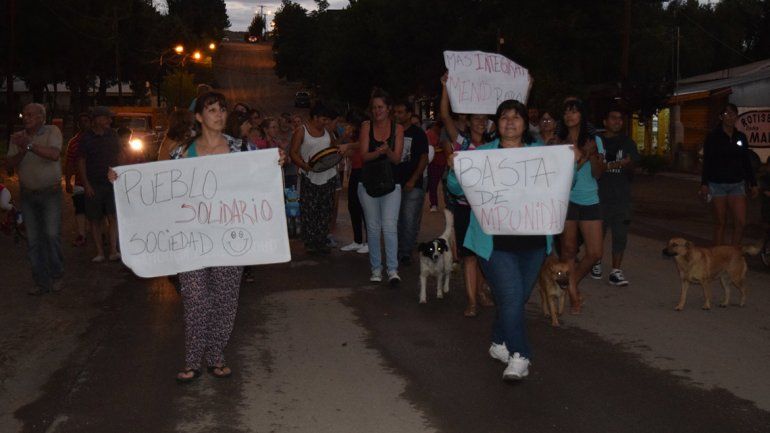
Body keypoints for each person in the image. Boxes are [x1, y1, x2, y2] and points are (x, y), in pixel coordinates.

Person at [158, 91, 283, 382]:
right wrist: (121, 181)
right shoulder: (181, 152)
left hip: (230, 239)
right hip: (192, 239)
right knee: (195, 299)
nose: (219, 115)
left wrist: (276, 161)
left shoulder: (242, 149)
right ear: (199, 117)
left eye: (222, 109)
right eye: (211, 110)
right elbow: (161, 187)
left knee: (225, 300)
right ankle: (192, 360)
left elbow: (262, 177)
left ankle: (215, 355)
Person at [447, 99, 548, 381]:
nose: (510, 122)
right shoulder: (482, 154)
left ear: (525, 123)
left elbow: (565, 184)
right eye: (504, 117)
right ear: (497, 123)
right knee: (512, 295)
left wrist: (572, 162)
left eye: (516, 117)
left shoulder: (542, 153)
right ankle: (520, 354)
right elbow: (456, 189)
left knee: (517, 297)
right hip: (494, 242)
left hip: (534, 242)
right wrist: (454, 169)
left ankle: (498, 341)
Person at [439, 73, 493, 317]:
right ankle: (471, 300)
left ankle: (480, 291)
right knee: (468, 255)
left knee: (483, 253)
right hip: (464, 207)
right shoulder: (461, 142)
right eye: (477, 118)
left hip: (487, 208)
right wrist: (445, 87)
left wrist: (526, 88)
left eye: (485, 118)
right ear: (469, 122)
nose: (481, 122)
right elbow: (444, 116)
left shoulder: (496, 146)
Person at [6, 103, 64, 295]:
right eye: (24, 114)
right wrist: (22, 149)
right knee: (33, 239)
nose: (26, 117)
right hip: (28, 194)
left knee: (51, 235)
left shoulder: (52, 131)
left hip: (50, 193)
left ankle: (56, 275)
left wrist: (29, 145)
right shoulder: (17, 137)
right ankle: (40, 281)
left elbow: (54, 155)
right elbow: (9, 164)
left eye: (30, 114)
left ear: (41, 117)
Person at [555, 98, 606, 314]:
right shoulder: (558, 142)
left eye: (574, 111)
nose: (570, 115)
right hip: (566, 199)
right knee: (568, 250)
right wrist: (584, 156)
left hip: (590, 199)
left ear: (582, 115)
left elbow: (598, 174)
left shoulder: (595, 140)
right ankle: (574, 296)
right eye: (566, 112)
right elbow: (562, 173)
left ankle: (570, 283)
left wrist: (592, 154)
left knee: (595, 253)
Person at [358, 88, 404, 284]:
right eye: (374, 108)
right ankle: (376, 269)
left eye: (381, 107)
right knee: (373, 227)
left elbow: (397, 159)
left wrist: (387, 151)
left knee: (390, 226)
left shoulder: (398, 129)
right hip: (369, 183)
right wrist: (378, 152)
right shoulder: (366, 127)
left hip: (391, 183)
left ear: (388, 108)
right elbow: (364, 156)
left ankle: (392, 270)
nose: (377, 111)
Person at [593, 106, 640, 286]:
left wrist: (628, 164)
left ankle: (616, 271)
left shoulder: (628, 142)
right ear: (605, 121)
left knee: (620, 235)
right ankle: (596, 262)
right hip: (599, 196)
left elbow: (633, 166)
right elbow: (595, 168)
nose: (617, 121)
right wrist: (619, 163)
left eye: (620, 118)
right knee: (598, 233)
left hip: (622, 197)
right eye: (613, 118)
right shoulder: (596, 142)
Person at [700, 103, 758, 245]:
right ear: (721, 117)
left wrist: (753, 183)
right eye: (726, 114)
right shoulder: (713, 137)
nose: (730, 117)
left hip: (737, 184)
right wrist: (704, 184)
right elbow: (707, 161)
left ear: (736, 116)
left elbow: (746, 161)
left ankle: (734, 253)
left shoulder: (740, 137)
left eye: (733, 114)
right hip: (717, 184)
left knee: (740, 222)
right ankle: (718, 254)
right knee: (720, 222)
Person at [289, 102, 339, 255]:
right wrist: (304, 166)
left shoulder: (327, 131)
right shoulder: (301, 131)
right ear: (315, 117)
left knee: (325, 209)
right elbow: (293, 153)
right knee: (309, 210)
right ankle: (311, 243)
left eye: (327, 120)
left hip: (328, 175)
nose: (325, 122)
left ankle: (321, 240)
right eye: (323, 119)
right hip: (309, 176)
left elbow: (334, 148)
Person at [78, 106, 122, 263]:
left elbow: (119, 155)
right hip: (94, 183)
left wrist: (121, 175)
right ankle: (99, 252)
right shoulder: (86, 138)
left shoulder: (113, 135)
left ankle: (113, 250)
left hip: (112, 183)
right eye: (106, 117)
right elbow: (81, 161)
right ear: (97, 119)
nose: (110, 120)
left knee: (113, 216)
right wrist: (86, 184)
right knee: (94, 218)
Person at [393, 101, 429, 266]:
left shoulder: (418, 133)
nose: (397, 115)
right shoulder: (392, 132)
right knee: (394, 220)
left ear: (409, 114)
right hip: (393, 183)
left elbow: (424, 158)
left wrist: (413, 179)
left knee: (409, 219)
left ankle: (405, 253)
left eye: (401, 112)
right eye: (395, 112)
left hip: (412, 184)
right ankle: (395, 250)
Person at [339, 110, 369, 254]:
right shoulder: (355, 132)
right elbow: (354, 152)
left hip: (365, 170)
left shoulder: (366, 127)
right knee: (353, 205)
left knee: (366, 207)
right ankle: (357, 240)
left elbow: (363, 144)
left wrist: (349, 146)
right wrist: (345, 148)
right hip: (356, 169)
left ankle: (369, 241)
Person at [63, 112, 91, 246]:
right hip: (79, 182)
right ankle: (81, 234)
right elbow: (69, 163)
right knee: (80, 208)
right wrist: (68, 182)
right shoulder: (73, 142)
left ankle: (102, 233)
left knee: (99, 210)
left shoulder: (97, 139)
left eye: (86, 120)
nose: (84, 124)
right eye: (81, 121)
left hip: (97, 181)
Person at [426, 120, 446, 213]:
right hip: (434, 162)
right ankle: (433, 204)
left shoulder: (444, 133)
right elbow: (429, 148)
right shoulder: (429, 134)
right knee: (433, 185)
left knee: (446, 184)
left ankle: (448, 204)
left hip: (445, 161)